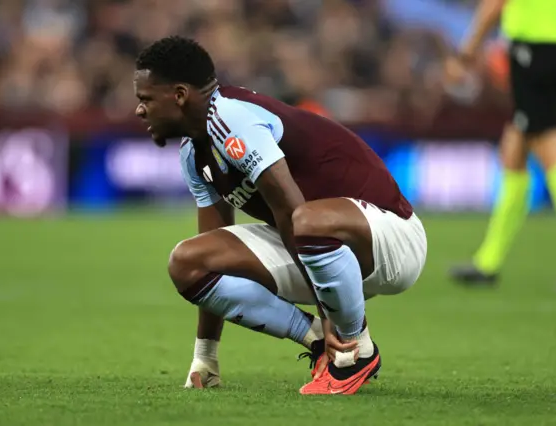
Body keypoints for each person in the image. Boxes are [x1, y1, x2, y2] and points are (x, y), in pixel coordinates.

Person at [133, 36, 427, 395]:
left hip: (391, 239)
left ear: (179, 95)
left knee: (305, 220)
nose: (139, 110)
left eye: (145, 99)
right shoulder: (193, 154)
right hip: (319, 249)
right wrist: (205, 356)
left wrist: (328, 312)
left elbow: (291, 210)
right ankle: (319, 341)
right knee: (188, 261)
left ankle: (356, 351)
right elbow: (214, 243)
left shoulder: (231, 117)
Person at [447, 0, 556, 288]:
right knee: (514, 149)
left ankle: (488, 262)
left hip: (534, 46)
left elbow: (495, 3)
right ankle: (488, 261)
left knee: (549, 145)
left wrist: (467, 49)